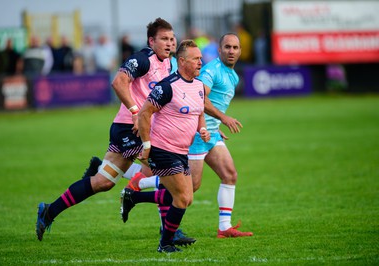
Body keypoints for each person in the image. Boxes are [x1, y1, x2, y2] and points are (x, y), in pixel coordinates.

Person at [35, 17, 176, 242]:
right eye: (164, 39)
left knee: (104, 182)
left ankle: (48, 211)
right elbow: (118, 81)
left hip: (140, 129)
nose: (170, 43)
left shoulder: (167, 63)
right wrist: (135, 112)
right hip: (129, 129)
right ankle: (170, 232)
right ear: (151, 41)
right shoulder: (144, 59)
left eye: (172, 38)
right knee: (172, 173)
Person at [125, 33, 253, 238]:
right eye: (227, 47)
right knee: (189, 187)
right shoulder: (211, 71)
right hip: (197, 135)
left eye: (235, 48)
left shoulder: (233, 75)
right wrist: (223, 118)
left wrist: (215, 125)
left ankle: (224, 227)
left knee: (230, 175)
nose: (231, 51)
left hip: (210, 134)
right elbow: (200, 99)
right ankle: (138, 185)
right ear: (219, 50)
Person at [120, 39, 210, 253]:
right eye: (196, 59)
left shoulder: (198, 86)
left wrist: (202, 129)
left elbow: (199, 113)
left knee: (181, 196)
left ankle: (133, 196)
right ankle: (166, 243)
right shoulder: (167, 85)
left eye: (200, 58)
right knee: (183, 198)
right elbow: (144, 113)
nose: (200, 62)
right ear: (182, 61)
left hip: (181, 151)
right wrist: (147, 144)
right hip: (162, 148)